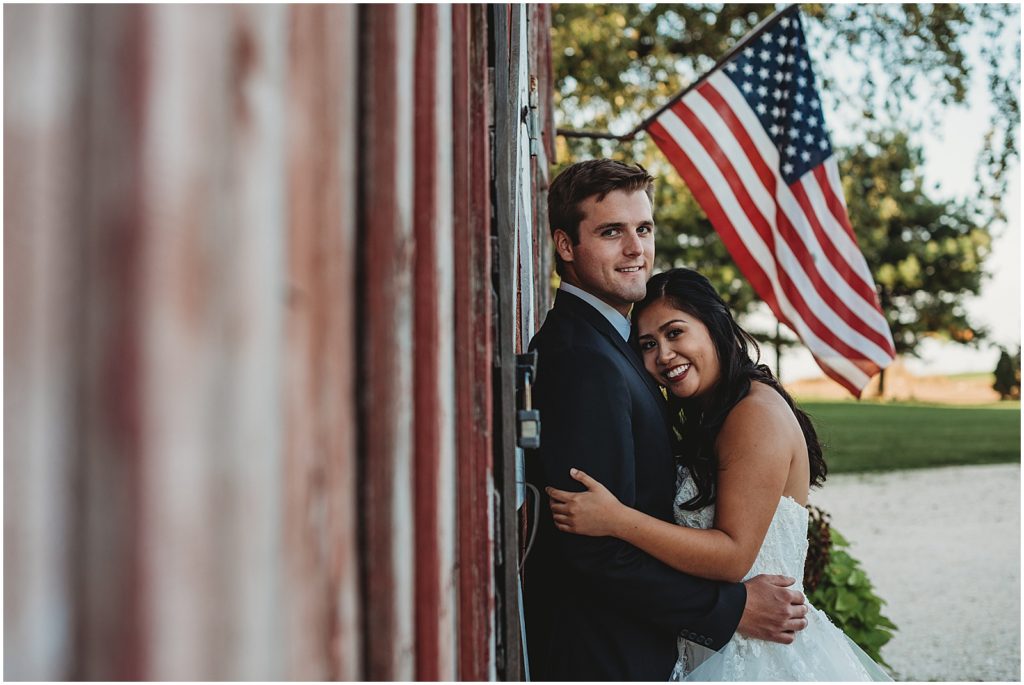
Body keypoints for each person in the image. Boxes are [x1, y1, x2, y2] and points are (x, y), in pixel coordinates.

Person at [523, 160, 809, 681]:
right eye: (612, 232)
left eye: (644, 229)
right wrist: (731, 609)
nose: (636, 249)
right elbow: (594, 553)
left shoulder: (613, 344)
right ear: (566, 246)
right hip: (606, 654)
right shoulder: (583, 356)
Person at [546, 267, 892, 681]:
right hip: (714, 644)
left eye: (675, 333)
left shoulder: (753, 415)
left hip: (759, 655)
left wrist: (617, 520)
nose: (664, 356)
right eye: (648, 345)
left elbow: (732, 556)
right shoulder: (715, 413)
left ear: (714, 325)